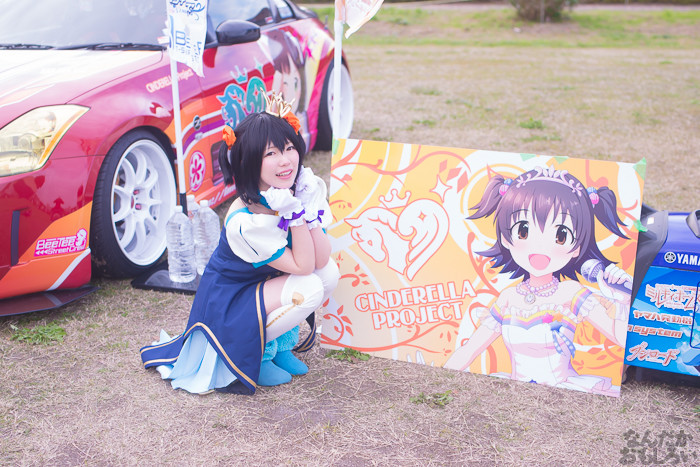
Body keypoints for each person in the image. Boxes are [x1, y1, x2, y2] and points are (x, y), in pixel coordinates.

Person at [140, 93, 339, 395]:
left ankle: (282, 347)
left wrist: (305, 209)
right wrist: (296, 214)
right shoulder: (247, 221)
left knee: (329, 274)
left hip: (262, 286)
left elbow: (321, 260)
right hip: (231, 301)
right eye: (271, 153)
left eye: (289, 148)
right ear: (249, 162)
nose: (286, 160)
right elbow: (303, 266)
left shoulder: (289, 192)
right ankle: (260, 355)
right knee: (308, 286)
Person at [444, 166, 632, 395]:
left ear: (577, 247)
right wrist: (441, 378)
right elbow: (471, 349)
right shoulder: (508, 298)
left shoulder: (570, 292)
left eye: (561, 235)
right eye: (523, 231)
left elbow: (619, 337)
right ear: (506, 237)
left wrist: (624, 300)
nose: (540, 247)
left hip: (564, 389)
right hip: (514, 391)